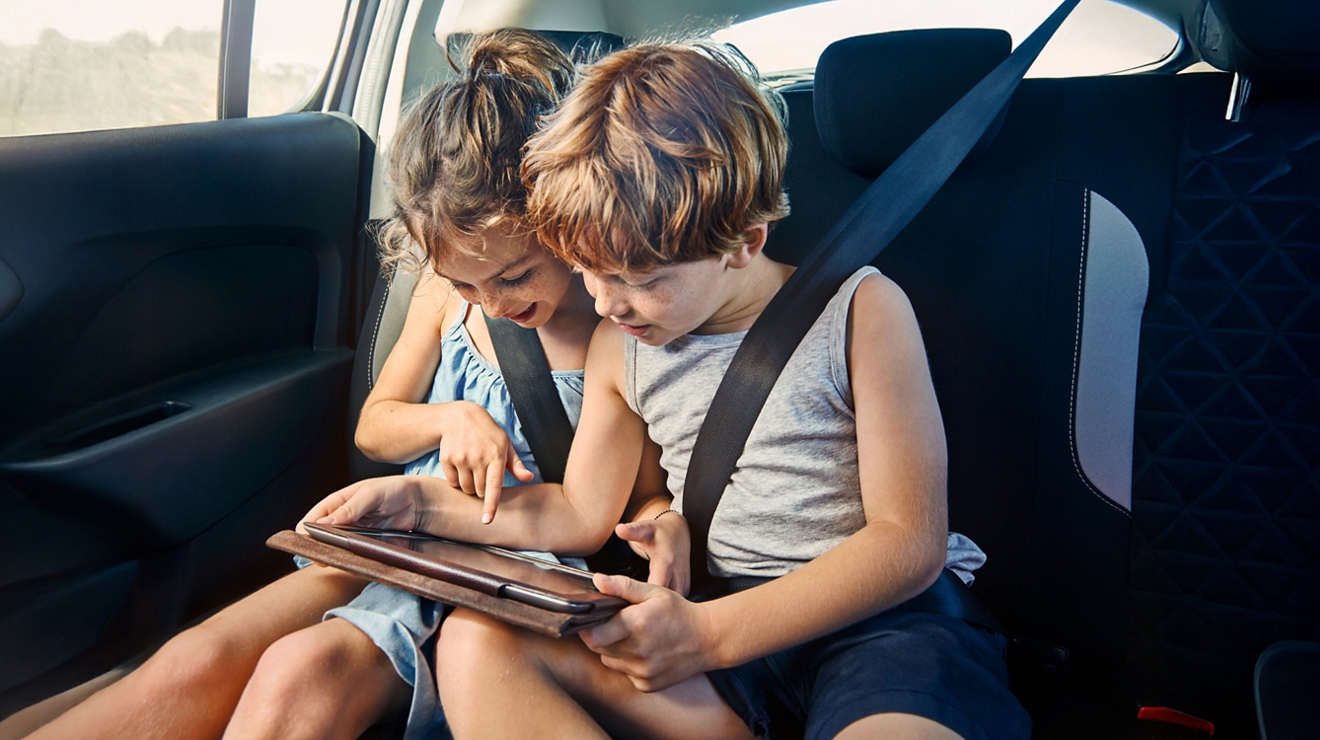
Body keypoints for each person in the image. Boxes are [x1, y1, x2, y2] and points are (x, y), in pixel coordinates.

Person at [309, 41, 1030, 739]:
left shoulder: (861, 312)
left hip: (883, 630)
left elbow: (908, 545)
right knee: (476, 646)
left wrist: (710, 636)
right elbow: (575, 514)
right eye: (588, 272)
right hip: (722, 631)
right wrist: (417, 500)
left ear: (744, 240)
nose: (606, 303)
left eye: (641, 281)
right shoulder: (616, 348)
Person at [27, 30, 685, 740]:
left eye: (515, 275)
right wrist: (448, 419)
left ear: (563, 223)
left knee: (303, 673)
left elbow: (626, 494)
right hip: (401, 541)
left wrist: (662, 514)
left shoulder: (619, 326)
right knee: (193, 660)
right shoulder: (446, 296)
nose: (492, 302)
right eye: (468, 281)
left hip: (513, 567)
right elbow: (376, 426)